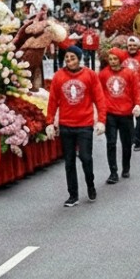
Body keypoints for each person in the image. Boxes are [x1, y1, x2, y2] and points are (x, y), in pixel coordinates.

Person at [45, 48, 106, 207]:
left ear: (79, 58)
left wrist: (101, 120)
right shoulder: (59, 76)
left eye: (73, 58)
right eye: (67, 58)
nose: (70, 61)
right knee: (69, 162)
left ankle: (90, 185)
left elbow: (99, 99)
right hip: (66, 125)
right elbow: (52, 101)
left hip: (85, 125)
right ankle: (73, 195)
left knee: (86, 158)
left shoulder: (90, 75)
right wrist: (50, 122)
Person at [99, 51, 140, 184]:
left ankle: (126, 167)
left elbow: (137, 91)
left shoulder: (130, 74)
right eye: (110, 59)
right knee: (111, 143)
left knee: (126, 143)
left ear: (120, 60)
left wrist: (138, 105)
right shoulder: (103, 74)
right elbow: (98, 93)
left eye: (115, 59)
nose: (112, 61)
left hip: (126, 115)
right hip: (110, 114)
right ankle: (113, 172)